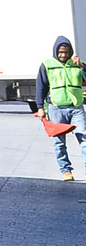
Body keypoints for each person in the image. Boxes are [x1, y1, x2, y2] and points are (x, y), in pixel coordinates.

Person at [36, 36, 86, 180]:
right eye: (60, 52)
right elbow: (41, 87)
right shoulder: (47, 65)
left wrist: (82, 67)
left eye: (66, 52)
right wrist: (40, 107)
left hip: (76, 107)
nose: (63, 55)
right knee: (59, 142)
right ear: (55, 51)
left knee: (84, 138)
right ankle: (66, 170)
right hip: (56, 107)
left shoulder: (76, 64)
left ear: (70, 51)